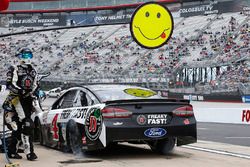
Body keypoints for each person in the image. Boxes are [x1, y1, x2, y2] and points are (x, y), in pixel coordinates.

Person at [2, 48, 38, 161]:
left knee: (18, 128)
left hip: (28, 99)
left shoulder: (33, 70)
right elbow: (9, 84)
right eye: (25, 55)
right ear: (20, 56)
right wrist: (21, 91)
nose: (27, 58)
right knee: (28, 124)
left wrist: (35, 92)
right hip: (16, 99)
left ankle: (12, 151)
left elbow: (35, 84)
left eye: (29, 55)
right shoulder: (14, 69)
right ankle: (29, 152)